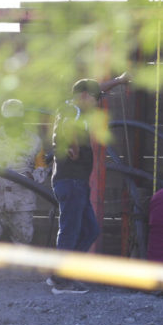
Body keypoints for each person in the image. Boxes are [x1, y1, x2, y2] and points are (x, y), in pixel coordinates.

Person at [48, 74, 129, 294]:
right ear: (84, 96)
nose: (97, 102)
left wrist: (119, 80)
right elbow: (68, 128)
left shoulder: (74, 106)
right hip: (71, 180)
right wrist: (73, 146)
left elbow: (96, 88)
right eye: (95, 98)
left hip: (77, 182)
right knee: (70, 231)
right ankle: (61, 281)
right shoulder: (73, 111)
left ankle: (63, 274)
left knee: (90, 230)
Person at [0, 99, 48, 244]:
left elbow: (42, 168)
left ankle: (20, 267)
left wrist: (34, 176)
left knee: (23, 243)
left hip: (22, 202)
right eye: (9, 120)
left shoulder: (34, 141)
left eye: (16, 120)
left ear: (22, 119)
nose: (12, 124)